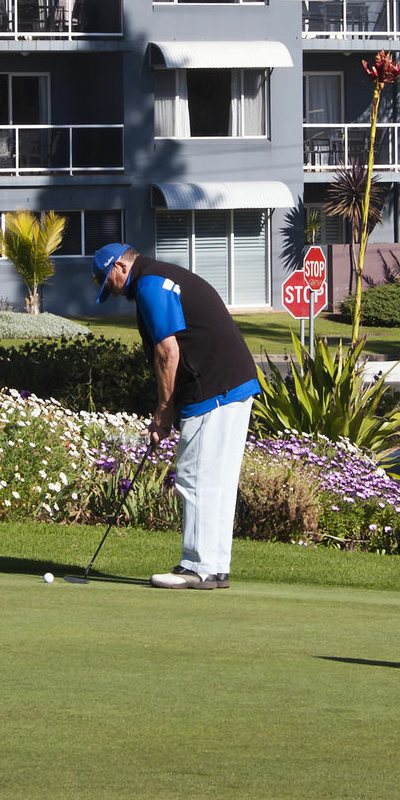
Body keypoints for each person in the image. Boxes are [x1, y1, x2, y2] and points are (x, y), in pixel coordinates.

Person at [91, 242, 261, 590]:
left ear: (121, 268)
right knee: (218, 480)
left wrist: (163, 412)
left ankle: (195, 566)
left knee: (194, 476)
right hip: (235, 384)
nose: (112, 290)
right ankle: (214, 566)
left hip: (212, 388)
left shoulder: (151, 285)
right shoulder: (165, 276)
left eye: (109, 281)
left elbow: (167, 351)